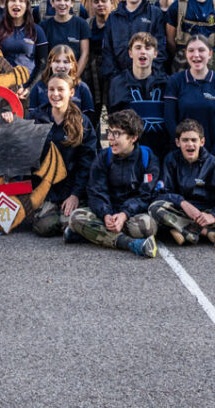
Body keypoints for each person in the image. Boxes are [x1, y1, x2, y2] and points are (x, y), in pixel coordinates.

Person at [67, 108, 160, 258]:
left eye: (117, 134)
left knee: (147, 227)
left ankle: (89, 234)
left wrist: (124, 215)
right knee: (75, 217)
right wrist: (106, 214)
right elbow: (96, 191)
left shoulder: (147, 159)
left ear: (133, 137)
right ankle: (130, 244)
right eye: (109, 132)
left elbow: (146, 195)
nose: (110, 138)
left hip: (131, 214)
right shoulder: (104, 157)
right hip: (107, 212)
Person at [151, 119, 215, 248]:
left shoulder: (213, 163)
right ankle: (209, 233)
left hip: (208, 211)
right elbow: (161, 193)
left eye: (194, 140)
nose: (190, 144)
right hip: (182, 211)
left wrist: (214, 215)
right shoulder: (171, 160)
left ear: (202, 142)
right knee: (155, 208)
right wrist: (183, 203)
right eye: (185, 140)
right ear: (177, 142)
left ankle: (185, 229)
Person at [31, 75, 99, 237]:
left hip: (72, 189)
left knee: (68, 223)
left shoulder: (83, 123)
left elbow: (87, 163)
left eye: (61, 89)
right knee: (44, 227)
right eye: (51, 89)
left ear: (71, 92)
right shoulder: (37, 119)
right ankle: (57, 215)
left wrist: (75, 194)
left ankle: (77, 213)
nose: (55, 94)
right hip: (47, 190)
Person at [163, 35, 215, 157]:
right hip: (181, 154)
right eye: (191, 50)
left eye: (201, 50)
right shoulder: (175, 81)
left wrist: (211, 155)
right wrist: (184, 148)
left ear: (210, 53)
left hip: (212, 153)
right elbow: (170, 121)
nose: (196, 55)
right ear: (185, 54)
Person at [108, 32, 168, 154]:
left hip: (162, 152)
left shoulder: (167, 83)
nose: (143, 52)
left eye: (148, 48)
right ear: (130, 53)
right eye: (138, 47)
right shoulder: (117, 84)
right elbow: (113, 121)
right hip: (129, 152)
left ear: (155, 54)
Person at [101, 0, 165, 84]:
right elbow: (107, 50)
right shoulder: (113, 17)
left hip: (148, 79)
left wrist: (149, 74)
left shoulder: (155, 14)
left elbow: (160, 48)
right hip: (119, 79)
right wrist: (115, 77)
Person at [0, 0, 47, 77]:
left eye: (21, 1)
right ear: (7, 5)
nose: (16, 4)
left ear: (27, 6)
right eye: (13, 0)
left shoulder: (37, 30)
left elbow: (42, 64)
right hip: (2, 85)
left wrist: (29, 88)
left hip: (28, 86)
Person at [28, 45, 95, 123]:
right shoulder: (38, 87)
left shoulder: (82, 87)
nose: (61, 66)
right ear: (50, 63)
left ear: (72, 64)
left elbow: (89, 120)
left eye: (66, 62)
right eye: (57, 61)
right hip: (45, 132)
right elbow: (32, 119)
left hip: (73, 132)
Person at [43, 0, 93, 74]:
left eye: (66, 0)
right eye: (58, 0)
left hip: (75, 76)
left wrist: (74, 78)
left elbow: (85, 54)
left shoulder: (81, 24)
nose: (62, 3)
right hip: (51, 77)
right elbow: (42, 57)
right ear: (52, 3)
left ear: (72, 3)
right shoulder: (44, 25)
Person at [84, 0, 114, 107]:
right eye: (96, 2)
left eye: (103, 0)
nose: (100, 4)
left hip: (112, 72)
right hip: (91, 74)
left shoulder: (117, 23)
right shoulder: (87, 24)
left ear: (111, 3)